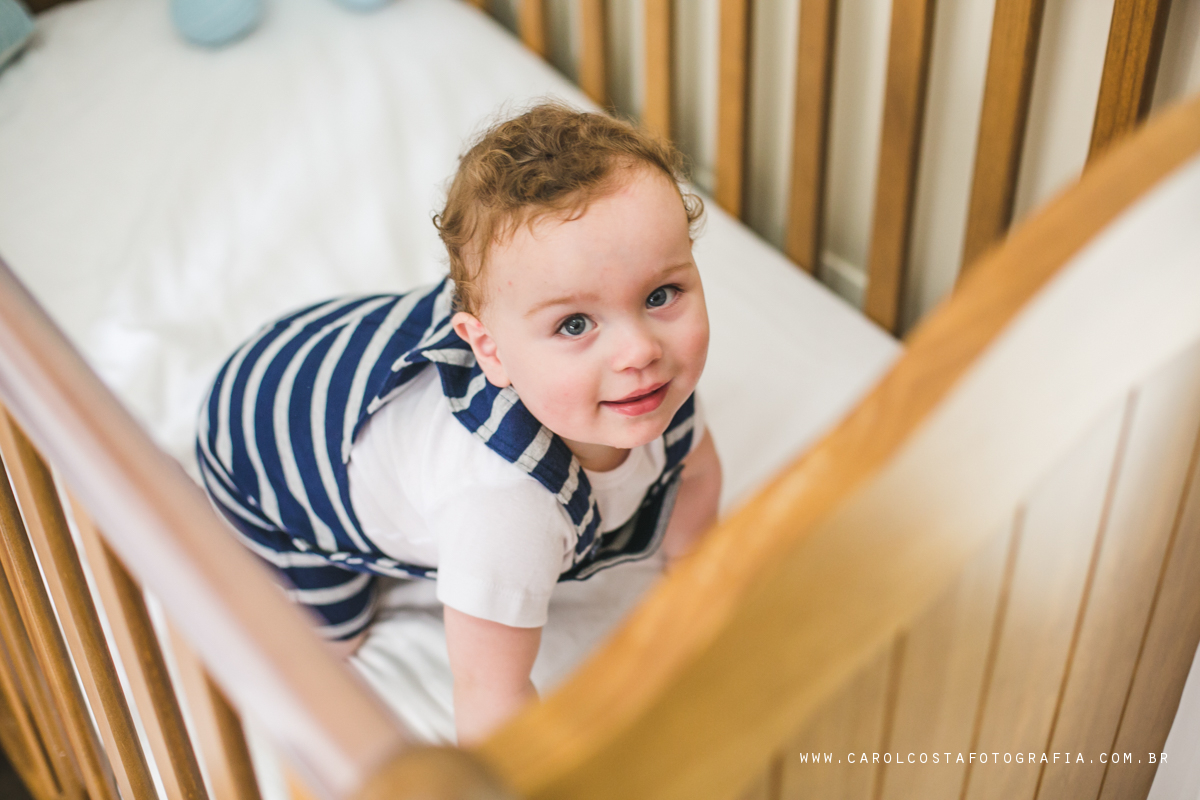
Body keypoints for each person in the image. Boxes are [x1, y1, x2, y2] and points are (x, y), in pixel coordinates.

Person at [195, 102, 721, 743]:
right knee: (333, 644)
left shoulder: (649, 385)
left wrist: (698, 572)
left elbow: (696, 474)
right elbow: (489, 690)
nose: (639, 350)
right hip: (269, 448)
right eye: (575, 324)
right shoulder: (506, 508)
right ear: (488, 351)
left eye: (661, 295)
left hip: (338, 355)